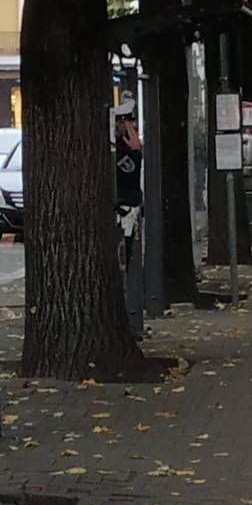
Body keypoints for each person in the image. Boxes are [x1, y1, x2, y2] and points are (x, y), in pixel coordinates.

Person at [113, 96, 143, 338]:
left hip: (129, 210)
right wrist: (135, 149)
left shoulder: (125, 147)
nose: (134, 128)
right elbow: (129, 171)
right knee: (124, 261)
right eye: (129, 124)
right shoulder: (122, 151)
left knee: (128, 259)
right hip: (122, 212)